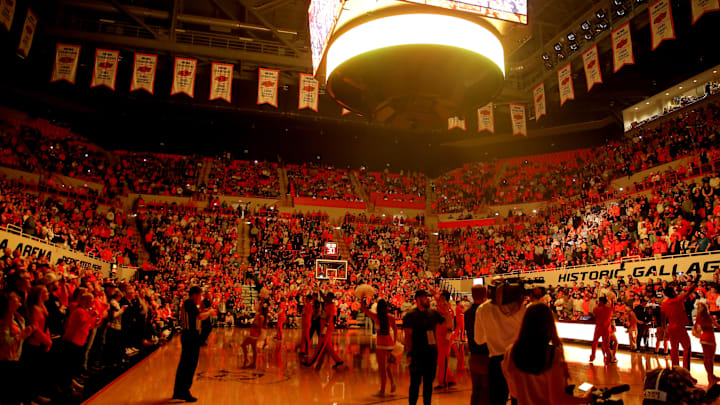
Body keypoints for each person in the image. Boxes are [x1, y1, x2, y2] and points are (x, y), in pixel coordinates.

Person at [502, 303, 592, 405]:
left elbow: (514, 393)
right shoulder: (553, 354)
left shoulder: (510, 352)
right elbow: (557, 400)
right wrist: (585, 399)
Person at [475, 280, 526, 405]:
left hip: (497, 362)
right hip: (518, 360)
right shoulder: (520, 307)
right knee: (519, 400)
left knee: (497, 401)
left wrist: (494, 334)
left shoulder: (483, 309)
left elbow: (479, 340)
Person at [403, 289, 448, 405]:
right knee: (415, 385)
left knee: (428, 386)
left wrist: (446, 309)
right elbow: (407, 336)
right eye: (424, 297)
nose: (428, 299)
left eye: (428, 297)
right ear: (418, 299)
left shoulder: (433, 313)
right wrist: (409, 353)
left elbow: (448, 324)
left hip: (431, 355)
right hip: (417, 355)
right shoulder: (410, 316)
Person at [173, 286, 216, 402]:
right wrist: (210, 312)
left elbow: (198, 314)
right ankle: (184, 391)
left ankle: (178, 391)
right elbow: (199, 316)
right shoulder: (189, 303)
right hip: (190, 336)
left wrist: (206, 312)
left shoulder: (189, 304)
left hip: (190, 336)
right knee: (189, 365)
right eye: (200, 295)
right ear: (195, 295)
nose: (200, 298)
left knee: (185, 365)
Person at [0, 291, 34, 405]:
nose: (19, 298)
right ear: (8, 302)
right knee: (10, 396)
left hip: (16, 358)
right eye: (15, 298)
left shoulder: (18, 317)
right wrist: (22, 335)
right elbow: (5, 342)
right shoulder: (4, 321)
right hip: (6, 362)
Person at [661, 274, 700, 369]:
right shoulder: (677, 300)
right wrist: (697, 279)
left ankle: (675, 369)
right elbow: (689, 291)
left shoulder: (664, 304)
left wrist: (664, 329)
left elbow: (662, 319)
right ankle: (686, 370)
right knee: (687, 348)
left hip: (670, 327)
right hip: (679, 327)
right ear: (673, 293)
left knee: (674, 349)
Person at [360, 297, 398, 396]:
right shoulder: (391, 317)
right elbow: (395, 329)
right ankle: (393, 383)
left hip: (381, 344)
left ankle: (382, 390)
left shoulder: (376, 317)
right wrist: (394, 342)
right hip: (389, 343)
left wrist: (362, 298)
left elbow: (364, 309)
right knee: (388, 367)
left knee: (382, 368)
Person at [465, 285, 490, 405]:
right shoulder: (485, 311)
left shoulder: (468, 313)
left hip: (474, 355)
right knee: (486, 391)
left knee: (476, 390)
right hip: (486, 355)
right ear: (485, 295)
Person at [694, 301, 720, 386]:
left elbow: (696, 329)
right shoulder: (709, 317)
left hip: (703, 338)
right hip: (710, 339)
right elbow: (718, 326)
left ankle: (711, 376)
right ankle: (711, 376)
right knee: (710, 359)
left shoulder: (698, 318)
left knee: (706, 358)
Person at [435, 291, 456, 389]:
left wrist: (448, 335)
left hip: (445, 338)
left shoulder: (448, 310)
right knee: (441, 359)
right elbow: (435, 294)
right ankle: (450, 378)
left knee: (443, 359)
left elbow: (450, 325)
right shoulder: (441, 306)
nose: (439, 299)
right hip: (440, 337)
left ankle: (443, 382)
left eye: (441, 298)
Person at [240, 303, 267, 368]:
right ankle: (253, 364)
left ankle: (247, 359)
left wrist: (262, 338)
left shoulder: (261, 317)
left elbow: (259, 327)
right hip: (253, 333)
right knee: (253, 349)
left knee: (243, 345)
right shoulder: (259, 315)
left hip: (255, 334)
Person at [588, 296, 613, 364]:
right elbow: (611, 306)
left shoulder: (597, 309)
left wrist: (596, 304)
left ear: (600, 302)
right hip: (606, 328)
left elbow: (593, 311)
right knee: (606, 344)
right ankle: (608, 357)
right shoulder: (609, 310)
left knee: (595, 342)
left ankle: (592, 356)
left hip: (599, 327)